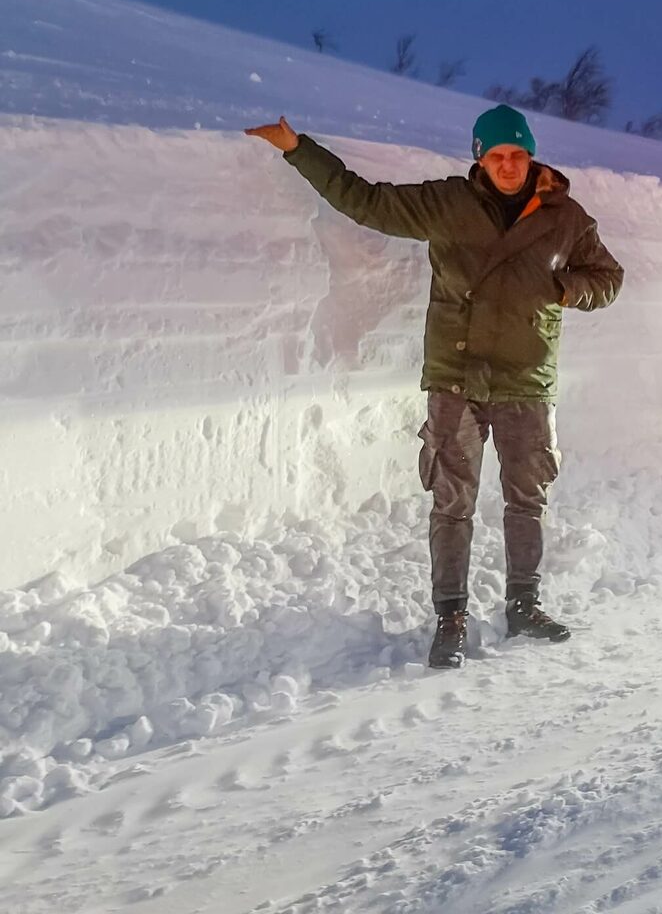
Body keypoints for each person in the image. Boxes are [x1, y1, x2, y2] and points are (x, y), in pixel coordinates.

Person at [245, 105, 624, 668]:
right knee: (452, 503)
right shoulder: (449, 202)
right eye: (497, 155)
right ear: (479, 157)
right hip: (457, 375)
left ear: (531, 155)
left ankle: (524, 603)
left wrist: (568, 289)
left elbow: (609, 278)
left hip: (526, 376)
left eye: (518, 154)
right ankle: (450, 615)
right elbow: (366, 201)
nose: (509, 166)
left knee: (528, 500)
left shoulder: (565, 216)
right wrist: (298, 149)